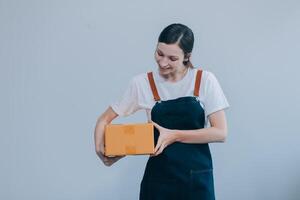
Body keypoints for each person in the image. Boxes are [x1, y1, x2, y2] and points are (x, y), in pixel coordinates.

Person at [94, 23, 229, 200]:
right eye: (159, 53)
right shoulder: (142, 83)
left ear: (187, 57)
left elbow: (220, 132)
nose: (163, 62)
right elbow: (104, 120)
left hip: (196, 180)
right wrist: (101, 150)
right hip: (159, 181)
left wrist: (174, 135)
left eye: (172, 58)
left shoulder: (204, 80)